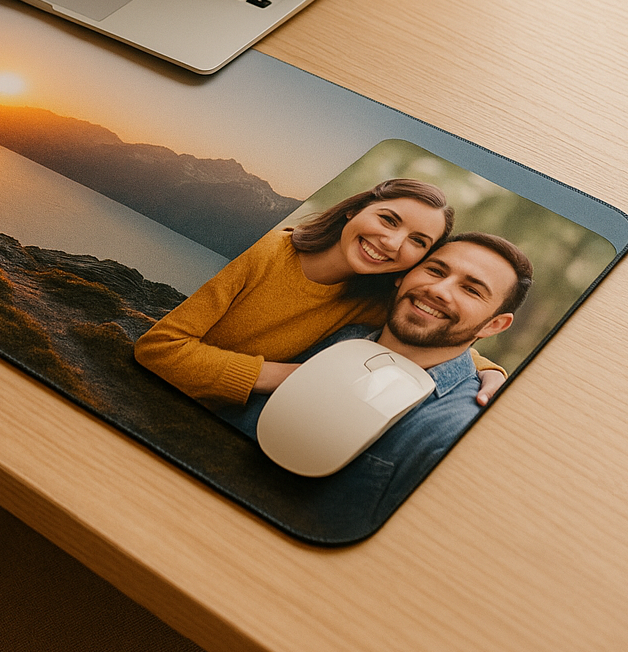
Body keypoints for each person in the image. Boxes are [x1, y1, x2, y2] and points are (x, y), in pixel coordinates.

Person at [216, 233, 534, 541]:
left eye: (471, 290)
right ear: (404, 275)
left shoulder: (455, 431)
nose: (439, 290)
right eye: (436, 270)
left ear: (494, 324)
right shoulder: (327, 327)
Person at [134, 179, 506, 408]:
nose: (391, 242)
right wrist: (296, 376)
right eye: (388, 220)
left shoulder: (372, 302)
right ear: (354, 211)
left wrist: (492, 371)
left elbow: (444, 335)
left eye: (417, 241)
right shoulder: (263, 253)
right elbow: (159, 348)